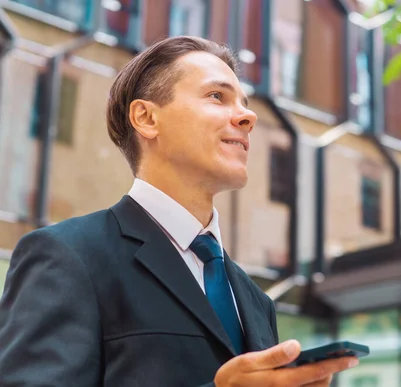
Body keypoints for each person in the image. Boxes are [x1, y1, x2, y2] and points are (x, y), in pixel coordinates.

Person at [0, 36, 358, 386]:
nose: (248, 116)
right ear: (146, 118)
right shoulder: (67, 256)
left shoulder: (255, 299)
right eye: (217, 96)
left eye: (245, 103)